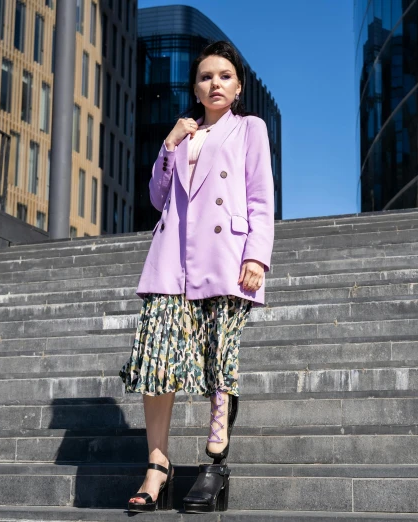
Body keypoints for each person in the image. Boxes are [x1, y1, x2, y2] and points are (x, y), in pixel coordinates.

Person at [119, 40, 275, 513]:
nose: (215, 84)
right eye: (206, 76)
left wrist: (257, 257)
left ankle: (213, 465)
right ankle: (158, 466)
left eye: (224, 76)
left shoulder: (250, 128)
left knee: (217, 362)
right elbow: (156, 196)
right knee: (157, 362)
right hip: (171, 260)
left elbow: (260, 197)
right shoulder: (183, 136)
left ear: (238, 85)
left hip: (225, 257)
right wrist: (168, 144)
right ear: (195, 86)